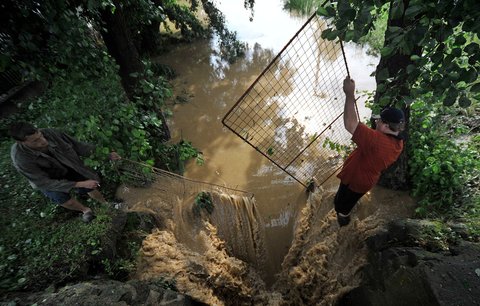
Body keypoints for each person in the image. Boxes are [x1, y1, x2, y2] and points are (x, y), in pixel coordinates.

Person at [9, 122, 121, 223]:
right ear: (21, 142)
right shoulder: (21, 159)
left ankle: (105, 204)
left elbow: (79, 146)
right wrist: (78, 184)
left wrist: (105, 155)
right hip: (48, 179)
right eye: (35, 141)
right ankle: (85, 210)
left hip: (66, 164)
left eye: (40, 136)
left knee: (89, 185)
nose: (43, 141)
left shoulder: (51, 133)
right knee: (61, 198)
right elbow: (43, 182)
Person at [334, 76, 405, 227]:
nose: (376, 121)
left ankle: (344, 221)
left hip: (357, 180)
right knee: (346, 200)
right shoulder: (398, 141)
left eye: (379, 121)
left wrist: (349, 94)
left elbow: (350, 124)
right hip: (365, 179)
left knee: (341, 206)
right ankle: (345, 213)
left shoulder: (377, 141)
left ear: (386, 126)